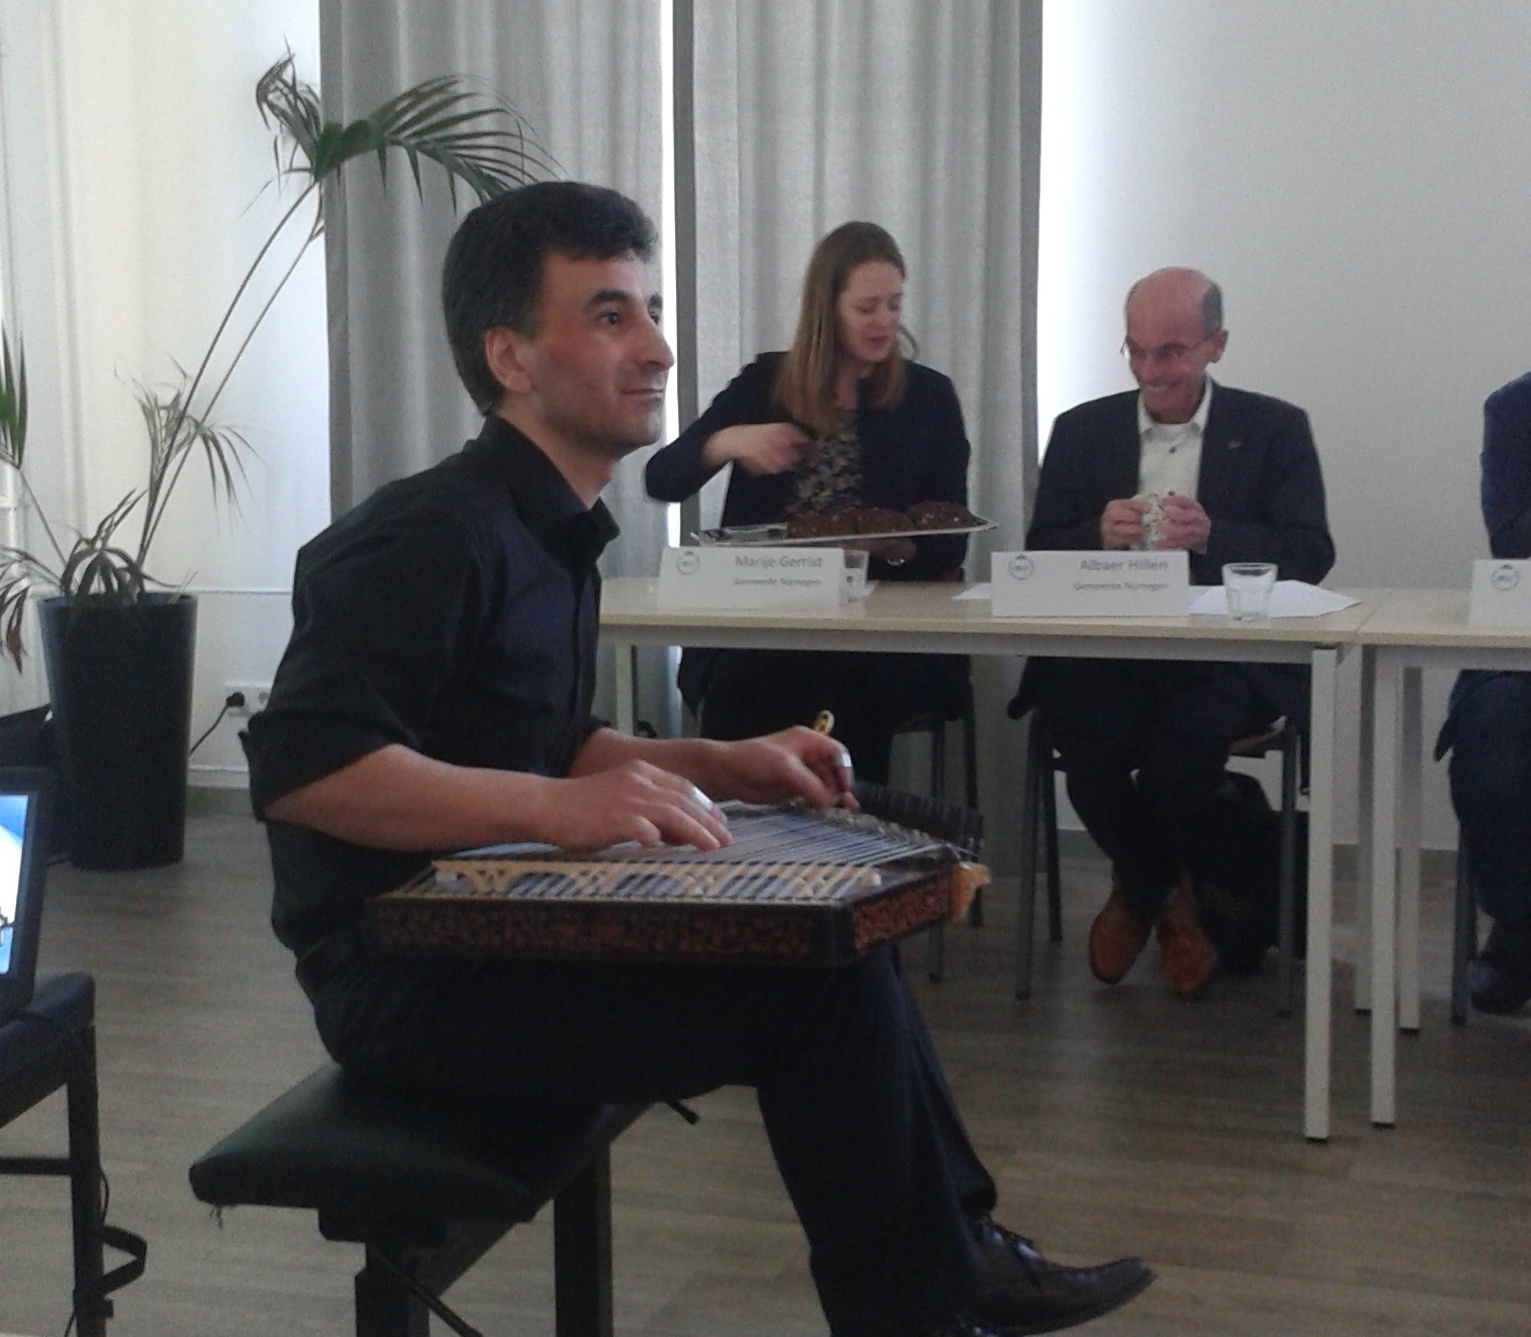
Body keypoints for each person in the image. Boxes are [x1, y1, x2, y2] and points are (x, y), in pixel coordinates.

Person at [242, 181, 1151, 1337]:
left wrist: (720, 760)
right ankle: (942, 1293)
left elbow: (545, 742)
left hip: (486, 925)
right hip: (405, 976)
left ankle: (958, 1263)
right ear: (510, 357)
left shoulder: (544, 529)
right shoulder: (426, 534)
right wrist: (559, 811)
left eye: (652, 311)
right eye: (610, 315)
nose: (658, 348)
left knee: (842, 936)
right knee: (816, 991)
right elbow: (309, 773)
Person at [1008, 267, 1334, 997]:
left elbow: (1311, 551)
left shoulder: (1274, 429)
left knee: (1178, 760)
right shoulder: (1081, 430)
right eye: (1137, 351)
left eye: (1172, 352)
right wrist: (1095, 534)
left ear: (1216, 344)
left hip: (1221, 660)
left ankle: (1139, 889)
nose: (1151, 371)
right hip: (1107, 655)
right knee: (1085, 745)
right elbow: (1038, 553)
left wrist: (1214, 536)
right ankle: (1162, 893)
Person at [644, 221, 971, 784]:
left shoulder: (929, 397)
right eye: (867, 307)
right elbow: (662, 478)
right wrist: (728, 441)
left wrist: (890, 546)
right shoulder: (766, 383)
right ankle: (743, 832)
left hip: (880, 630)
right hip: (768, 618)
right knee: (748, 682)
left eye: (894, 304)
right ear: (827, 308)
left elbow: (952, 541)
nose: (886, 321)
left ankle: (843, 831)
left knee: (844, 683)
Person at [1435, 370, 1531, 1014]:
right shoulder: (1515, 408)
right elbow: (1513, 540)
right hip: (1521, 652)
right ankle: (1519, 923)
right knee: (1494, 738)